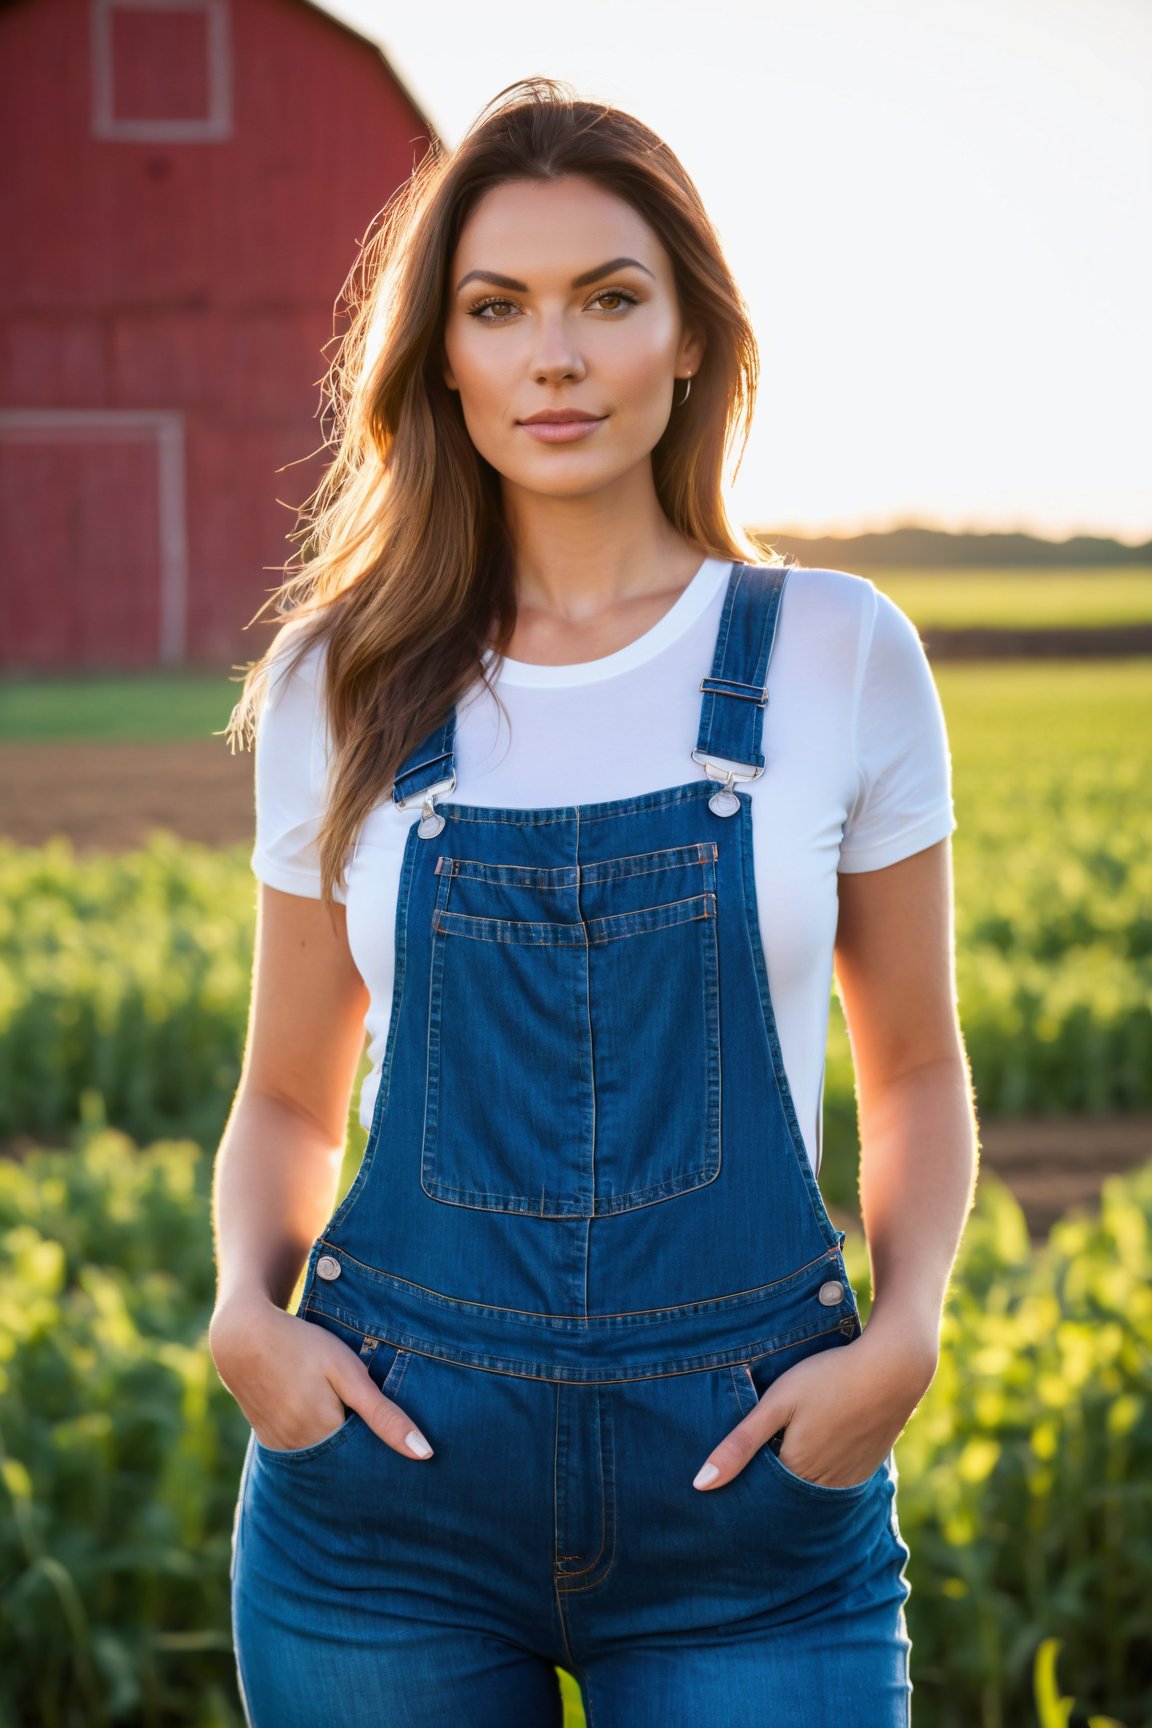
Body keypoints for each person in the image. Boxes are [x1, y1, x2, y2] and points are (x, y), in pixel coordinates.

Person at [210, 77, 977, 1728]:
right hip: (385, 1515)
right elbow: (287, 1091)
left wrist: (903, 1339)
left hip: (753, 1509)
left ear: (689, 338)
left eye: (608, 300)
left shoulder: (839, 655)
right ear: (446, 357)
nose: (553, 357)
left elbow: (913, 1062)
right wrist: (245, 1323)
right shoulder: (338, 686)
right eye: (499, 308)